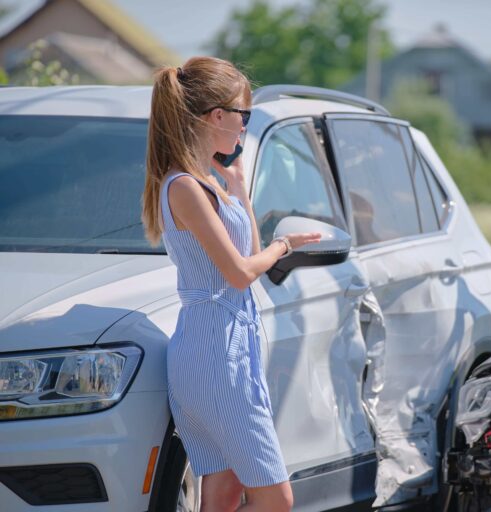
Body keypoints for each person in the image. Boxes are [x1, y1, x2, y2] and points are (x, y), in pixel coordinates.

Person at [141, 56, 321, 512]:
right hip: (216, 355)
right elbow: (240, 272)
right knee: (276, 499)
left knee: (222, 495)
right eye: (244, 115)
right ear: (216, 116)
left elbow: (244, 256)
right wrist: (283, 246)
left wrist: (239, 188)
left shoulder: (207, 183)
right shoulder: (184, 186)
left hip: (223, 349)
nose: (245, 127)